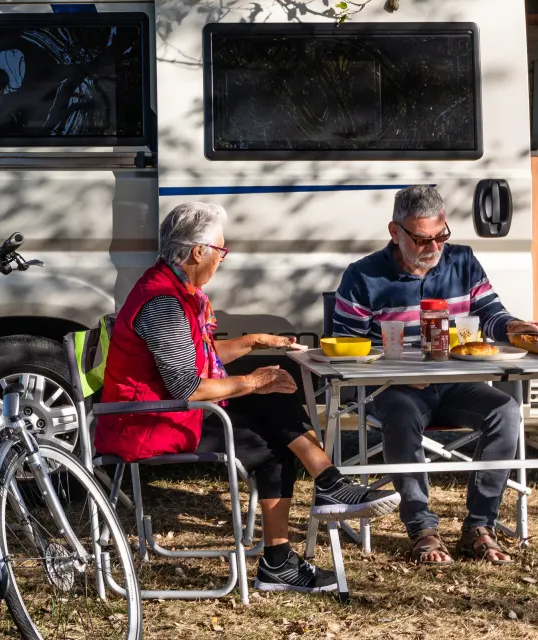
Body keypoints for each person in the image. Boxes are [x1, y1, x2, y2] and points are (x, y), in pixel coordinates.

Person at [95, 201, 400, 593]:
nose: (223, 259)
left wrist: (252, 343)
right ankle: (285, 552)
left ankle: (326, 484)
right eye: (221, 251)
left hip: (168, 412)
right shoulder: (164, 304)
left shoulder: (175, 288)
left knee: (274, 390)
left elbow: (195, 357)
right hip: (147, 422)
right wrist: (252, 382)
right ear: (197, 252)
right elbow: (188, 385)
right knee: (271, 433)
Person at [332, 185, 538, 566]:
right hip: (392, 389)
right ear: (395, 232)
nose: (434, 247)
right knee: (402, 414)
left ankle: (480, 526)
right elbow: (346, 350)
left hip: (454, 382)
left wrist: (519, 327)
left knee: (505, 411)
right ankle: (421, 528)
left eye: (441, 236)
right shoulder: (363, 276)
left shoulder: (463, 261)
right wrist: (398, 373)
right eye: (422, 239)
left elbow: (491, 315)